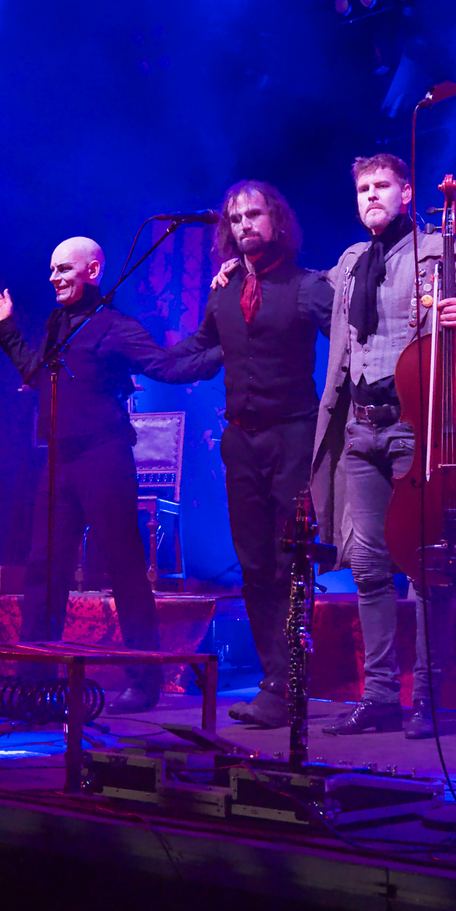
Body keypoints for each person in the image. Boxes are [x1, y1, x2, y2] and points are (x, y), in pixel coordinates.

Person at [308, 153, 456, 739]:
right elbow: (300, 288)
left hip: (417, 427)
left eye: (382, 186)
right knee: (369, 566)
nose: (371, 196)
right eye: (363, 189)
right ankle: (379, 697)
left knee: (425, 566)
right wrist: (241, 268)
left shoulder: (443, 252)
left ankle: (427, 698)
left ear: (406, 193)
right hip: (359, 429)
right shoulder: (351, 261)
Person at [0, 237, 220, 713]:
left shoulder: (115, 326)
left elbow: (166, 368)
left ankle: (144, 679)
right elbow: (35, 374)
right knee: (44, 567)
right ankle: (34, 680)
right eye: (51, 269)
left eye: (63, 269)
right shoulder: (58, 324)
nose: (53, 278)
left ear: (92, 271)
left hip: (104, 457)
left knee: (123, 566)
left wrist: (226, 348)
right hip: (59, 460)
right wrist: (5, 327)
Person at [171, 181, 334, 728]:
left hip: (293, 436)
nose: (244, 225)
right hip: (240, 440)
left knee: (290, 562)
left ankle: (290, 682)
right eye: (236, 218)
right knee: (254, 565)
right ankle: (274, 680)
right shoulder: (224, 290)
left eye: (254, 214)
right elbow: (199, 346)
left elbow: (353, 343)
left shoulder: (307, 287)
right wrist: (139, 358)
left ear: (276, 220)